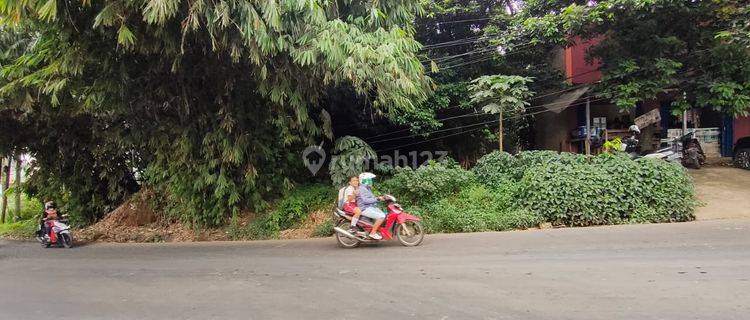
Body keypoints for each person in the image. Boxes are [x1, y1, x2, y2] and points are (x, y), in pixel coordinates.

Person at [356, 172, 386, 240]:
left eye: (370, 180)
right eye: (369, 180)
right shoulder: (362, 189)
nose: (371, 181)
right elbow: (365, 201)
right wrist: (377, 199)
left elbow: (371, 198)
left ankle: (373, 230)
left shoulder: (367, 188)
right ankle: (373, 233)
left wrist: (379, 198)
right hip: (364, 208)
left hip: (369, 207)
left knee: (383, 213)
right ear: (364, 180)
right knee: (382, 216)